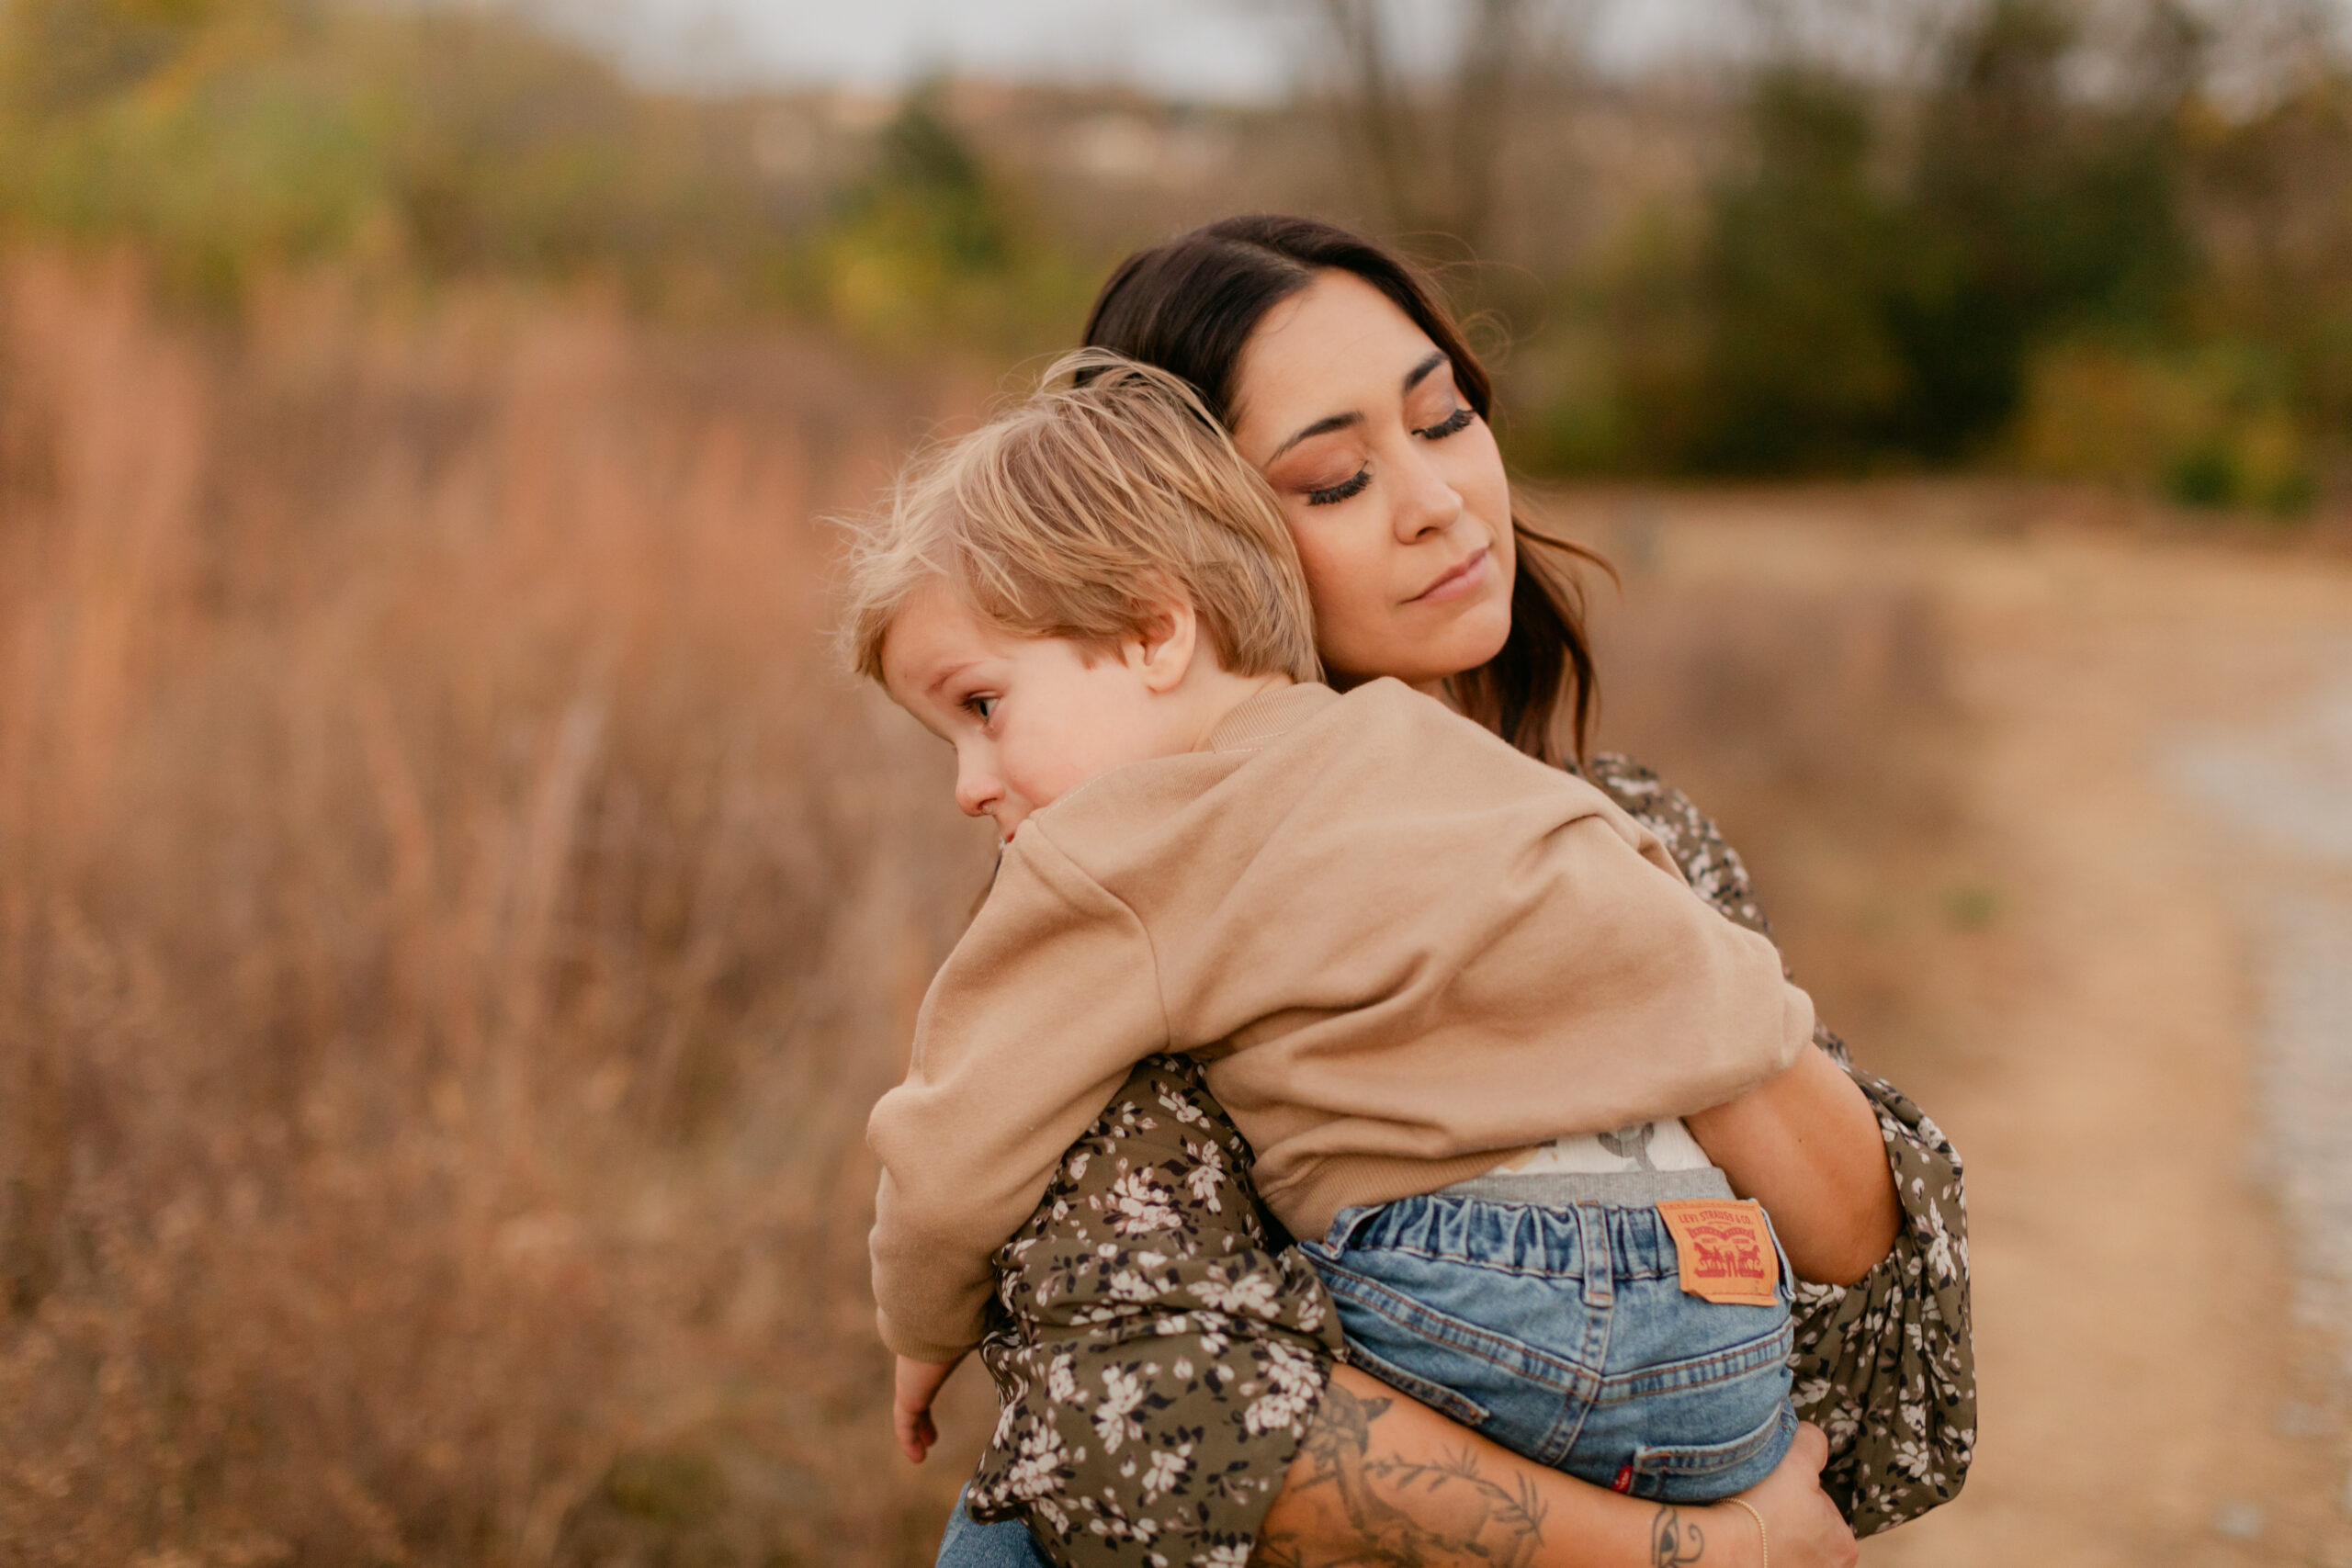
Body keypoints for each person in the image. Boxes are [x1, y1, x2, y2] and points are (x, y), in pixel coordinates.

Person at [929, 216, 1973, 1568]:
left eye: (1445, 418)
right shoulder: (1149, 889)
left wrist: (1587, 918)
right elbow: (1163, 1405)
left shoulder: (1629, 827)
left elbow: (1860, 1264)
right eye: (1336, 479)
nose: (1437, 499)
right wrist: (1693, 1559)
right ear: (1173, 563)